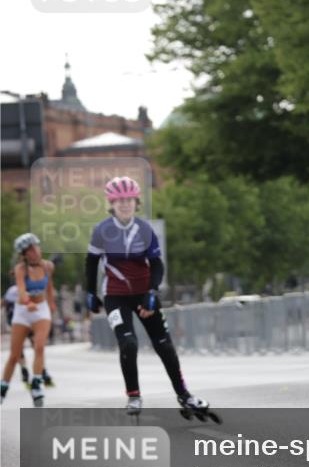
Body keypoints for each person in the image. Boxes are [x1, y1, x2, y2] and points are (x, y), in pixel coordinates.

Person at [85, 176, 211, 416]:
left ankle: (185, 395)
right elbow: (91, 263)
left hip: (144, 294)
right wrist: (90, 292)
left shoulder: (145, 230)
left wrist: (152, 293)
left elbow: (157, 265)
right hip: (115, 296)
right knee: (129, 343)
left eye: (129, 200)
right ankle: (133, 397)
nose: (125, 204)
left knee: (164, 345)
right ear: (111, 203)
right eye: (119, 200)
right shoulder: (101, 231)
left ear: (136, 202)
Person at [1, 234, 56, 405]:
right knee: (14, 355)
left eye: (36, 247)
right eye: (30, 249)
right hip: (23, 311)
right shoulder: (21, 269)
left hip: (41, 310)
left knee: (39, 346)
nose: (35, 251)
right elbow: (22, 289)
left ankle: (37, 384)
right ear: (25, 254)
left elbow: (49, 285)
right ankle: (3, 389)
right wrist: (27, 302)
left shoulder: (48, 266)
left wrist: (51, 303)